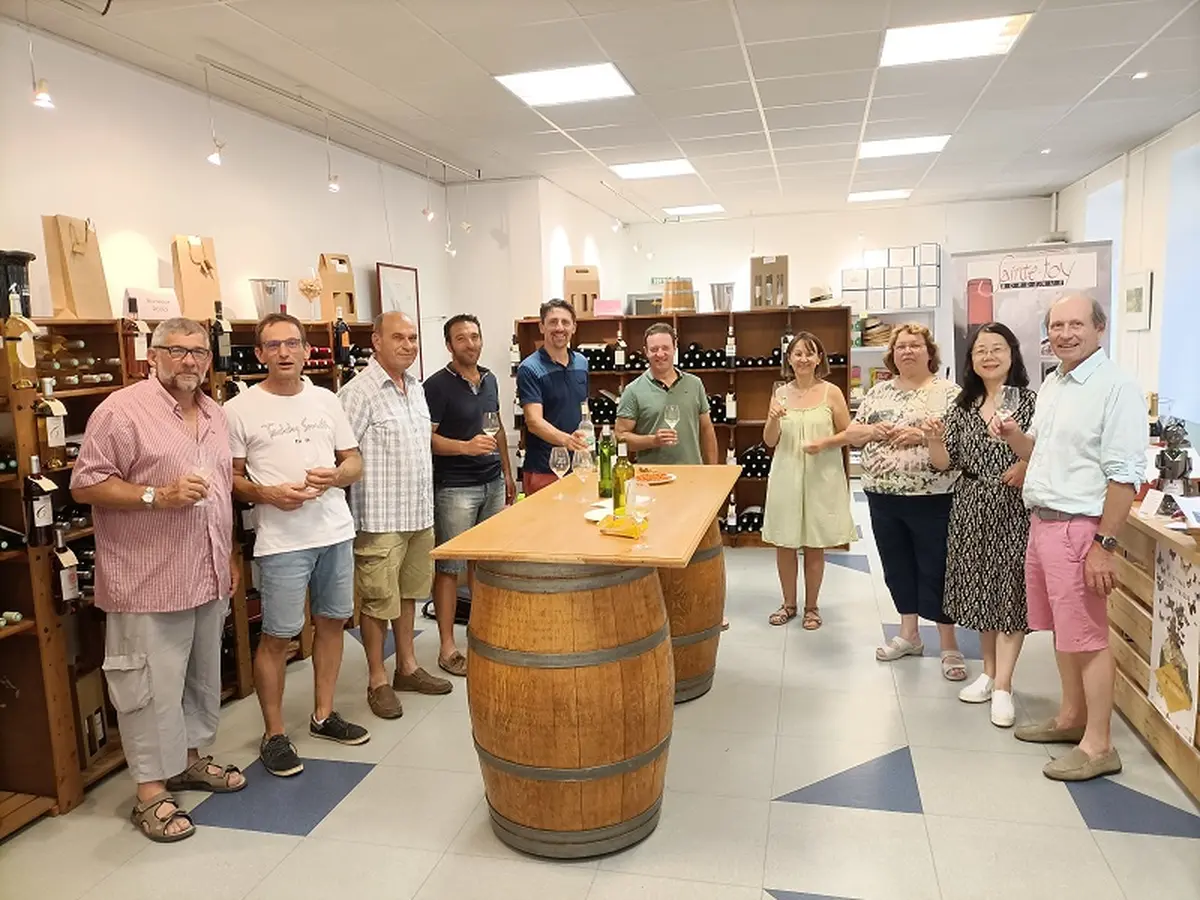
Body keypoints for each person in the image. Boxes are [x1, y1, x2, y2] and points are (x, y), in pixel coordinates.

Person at [71, 317, 242, 842]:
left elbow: (222, 495)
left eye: (198, 351)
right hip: (148, 579)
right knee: (147, 686)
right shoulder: (122, 411)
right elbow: (86, 484)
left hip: (207, 573)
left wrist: (231, 557)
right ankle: (149, 791)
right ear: (154, 356)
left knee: (199, 677)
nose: (190, 360)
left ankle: (188, 760)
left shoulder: (213, 414)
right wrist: (155, 496)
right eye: (177, 350)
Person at [996, 294, 1146, 781]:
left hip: (1081, 529)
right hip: (1044, 522)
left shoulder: (1116, 387)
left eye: (1076, 324)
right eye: (1056, 325)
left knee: (1087, 637)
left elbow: (1124, 476)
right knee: (1065, 631)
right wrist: (1013, 436)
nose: (1065, 333)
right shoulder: (1056, 383)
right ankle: (1071, 718)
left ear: (1099, 328)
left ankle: (1100, 745)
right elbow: (1036, 450)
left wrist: (1104, 545)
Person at [226, 313, 368, 776]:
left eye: (292, 344)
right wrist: (267, 494)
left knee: (332, 623)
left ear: (307, 350)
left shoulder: (327, 400)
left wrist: (337, 476)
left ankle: (324, 714)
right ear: (260, 353)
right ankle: (274, 734)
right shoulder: (239, 410)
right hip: (282, 540)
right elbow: (231, 479)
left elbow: (353, 462)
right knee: (278, 637)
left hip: (334, 531)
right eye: (273, 345)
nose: (284, 353)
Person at [339, 312, 454, 719]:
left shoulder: (416, 390)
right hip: (380, 519)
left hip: (417, 513)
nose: (408, 345)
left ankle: (407, 666)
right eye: (398, 338)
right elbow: (342, 456)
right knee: (377, 602)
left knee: (407, 596)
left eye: (413, 338)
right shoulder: (358, 393)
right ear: (376, 341)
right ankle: (377, 679)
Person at [925, 323, 1035, 727]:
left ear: (1012, 353)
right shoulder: (961, 406)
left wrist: (1024, 463)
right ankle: (988, 672)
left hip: (1015, 507)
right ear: (970, 361)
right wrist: (934, 439)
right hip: (970, 504)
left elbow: (1047, 447)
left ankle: (1004, 685)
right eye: (980, 351)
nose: (988, 356)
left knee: (1010, 592)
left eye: (997, 348)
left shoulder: (1031, 402)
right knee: (981, 590)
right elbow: (943, 462)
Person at [847, 323, 966, 680]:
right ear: (892, 354)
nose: (908, 351)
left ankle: (949, 644)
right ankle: (909, 633)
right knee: (897, 567)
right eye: (901, 346)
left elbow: (960, 440)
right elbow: (853, 435)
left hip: (933, 497)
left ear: (929, 352)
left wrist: (919, 435)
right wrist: (872, 431)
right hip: (883, 496)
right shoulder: (878, 392)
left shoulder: (949, 392)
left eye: (915, 345)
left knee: (938, 569)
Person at [421, 314, 516, 680]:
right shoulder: (437, 387)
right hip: (455, 489)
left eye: (475, 336)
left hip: (492, 484)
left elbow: (499, 428)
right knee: (449, 569)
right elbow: (427, 438)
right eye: (462, 338)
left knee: (484, 565)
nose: (470, 344)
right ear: (449, 345)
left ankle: (483, 636)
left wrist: (508, 474)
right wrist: (464, 447)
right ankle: (448, 647)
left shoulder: (490, 378)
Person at [761, 332, 857, 630]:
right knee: (784, 542)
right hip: (786, 473)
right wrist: (774, 419)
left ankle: (812, 607)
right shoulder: (779, 393)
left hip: (820, 475)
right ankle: (788, 604)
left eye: (809, 353)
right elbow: (768, 440)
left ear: (819, 359)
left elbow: (850, 433)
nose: (803, 359)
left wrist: (824, 444)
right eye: (797, 353)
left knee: (815, 543)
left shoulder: (831, 392)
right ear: (788, 359)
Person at [615, 322, 718, 466]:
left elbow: (707, 429)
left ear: (675, 347)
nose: (660, 354)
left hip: (692, 476)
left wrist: (712, 469)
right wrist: (653, 441)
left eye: (665, 348)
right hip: (652, 478)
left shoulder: (695, 384)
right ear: (646, 351)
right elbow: (620, 437)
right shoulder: (633, 391)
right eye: (654, 349)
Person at [517, 299, 589, 494]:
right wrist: (567, 441)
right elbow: (533, 421)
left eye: (565, 322)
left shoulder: (582, 363)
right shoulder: (530, 368)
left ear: (574, 327)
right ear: (542, 327)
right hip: (545, 469)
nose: (560, 328)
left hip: (579, 467)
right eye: (553, 322)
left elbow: (583, 408)